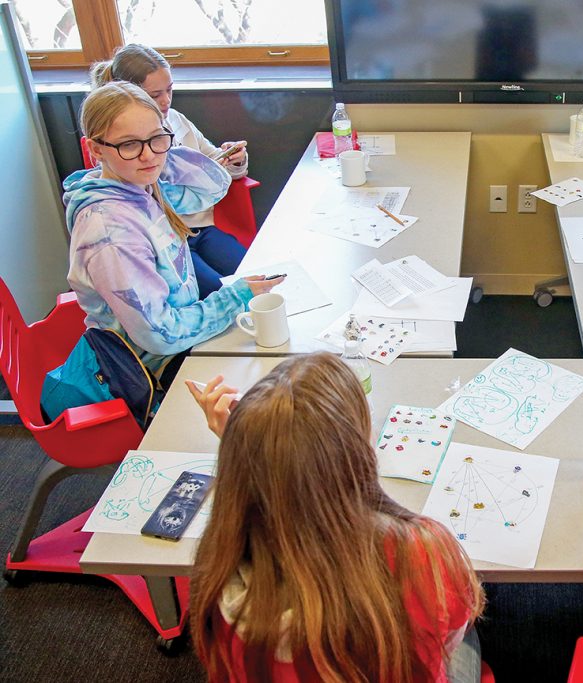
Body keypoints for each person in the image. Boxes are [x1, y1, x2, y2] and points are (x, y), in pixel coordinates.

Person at [187, 353, 485, 682]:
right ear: (358, 450)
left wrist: (256, 452)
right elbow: (451, 633)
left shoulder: (215, 567)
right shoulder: (422, 552)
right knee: (467, 635)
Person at [41, 82, 282, 422]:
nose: (147, 155)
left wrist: (159, 152)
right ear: (95, 149)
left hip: (181, 341)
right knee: (267, 408)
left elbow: (214, 184)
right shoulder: (111, 233)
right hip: (145, 374)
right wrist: (234, 298)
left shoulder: (140, 185)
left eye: (156, 138)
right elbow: (161, 334)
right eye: (128, 144)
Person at [91, 43, 249, 298]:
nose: (165, 101)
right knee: (223, 294)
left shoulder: (177, 120)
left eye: (169, 90)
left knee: (252, 271)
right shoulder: (120, 152)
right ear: (129, 95)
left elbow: (216, 165)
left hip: (200, 229)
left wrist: (233, 160)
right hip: (166, 242)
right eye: (154, 95)